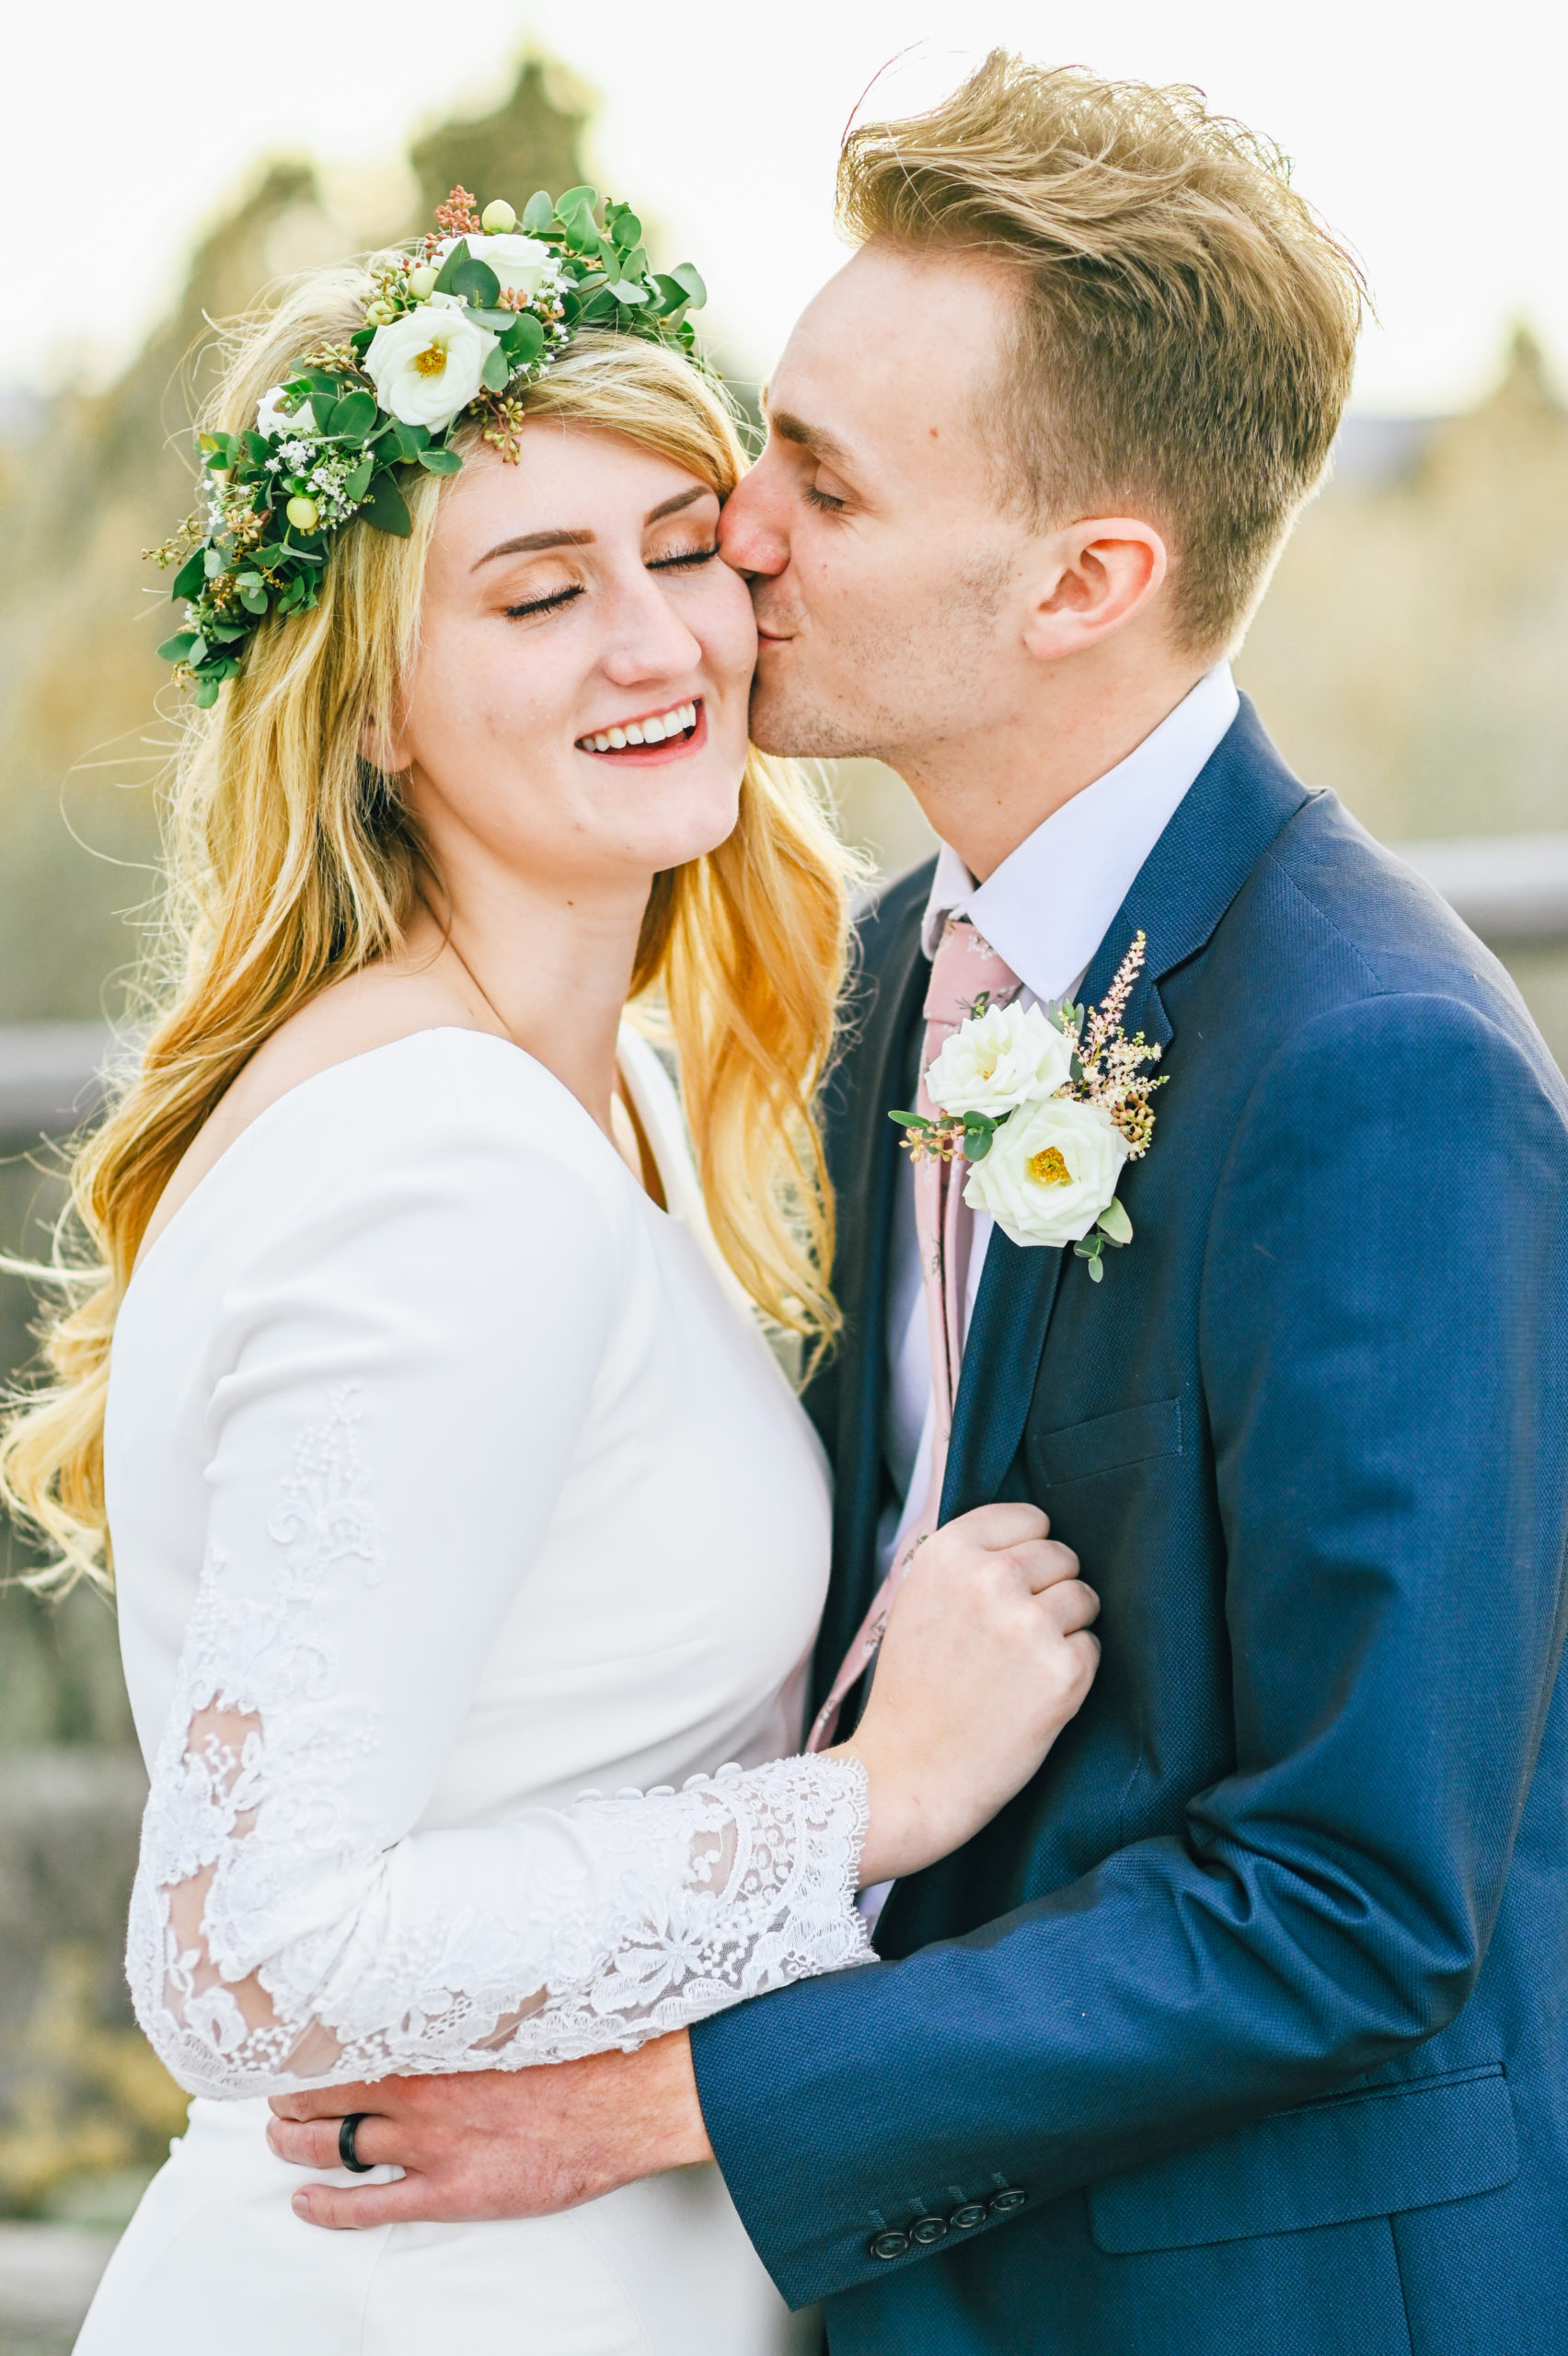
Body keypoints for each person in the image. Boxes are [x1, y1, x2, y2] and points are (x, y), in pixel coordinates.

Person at [267, 56, 1568, 2356]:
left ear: (1088, 579)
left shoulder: (1384, 1072)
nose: (731, 527)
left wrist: (657, 2096)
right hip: (912, 2285)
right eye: (772, 435)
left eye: (825, 489)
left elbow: (1359, 1898)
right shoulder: (896, 970)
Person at [0, 184, 1103, 2355]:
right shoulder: (446, 1161)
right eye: (535, 592)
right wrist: (868, 1805)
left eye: (682, 551)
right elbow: (248, 1952)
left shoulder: (599, 1093)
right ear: (376, 713)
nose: (655, 641)